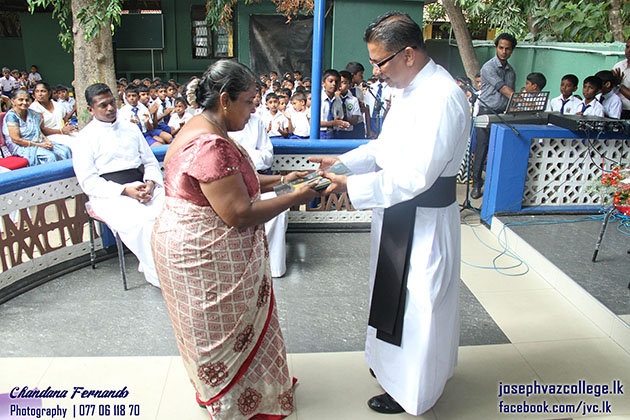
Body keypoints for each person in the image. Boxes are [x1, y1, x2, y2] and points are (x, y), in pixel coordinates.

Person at [312, 11, 470, 416]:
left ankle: (414, 390)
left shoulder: (443, 97)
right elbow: (383, 149)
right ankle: (389, 369)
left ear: (410, 54)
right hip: (398, 213)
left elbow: (418, 174)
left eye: (381, 62)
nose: (377, 71)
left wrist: (354, 187)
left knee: (420, 306)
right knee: (390, 297)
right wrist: (341, 169)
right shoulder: (409, 91)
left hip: (425, 218)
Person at [151, 59, 319, 419]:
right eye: (249, 101)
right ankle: (232, 401)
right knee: (220, 329)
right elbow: (237, 213)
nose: (255, 108)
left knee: (222, 328)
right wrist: (296, 197)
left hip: (189, 243)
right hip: (202, 252)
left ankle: (244, 390)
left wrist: (285, 180)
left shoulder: (201, 125)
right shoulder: (211, 143)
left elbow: (235, 180)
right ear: (225, 100)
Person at [73, 83, 163, 288]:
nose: (110, 108)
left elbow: (149, 161)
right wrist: (124, 190)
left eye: (112, 102)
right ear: (90, 109)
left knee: (172, 212)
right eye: (103, 105)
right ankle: (157, 273)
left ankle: (177, 266)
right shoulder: (84, 138)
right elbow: (88, 182)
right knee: (144, 222)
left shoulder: (131, 128)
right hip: (110, 195)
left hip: (142, 186)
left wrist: (150, 183)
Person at [471, 32, 517, 199]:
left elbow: (510, 94)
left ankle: (493, 185)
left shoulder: (511, 71)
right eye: (501, 48)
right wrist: (522, 101)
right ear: (496, 48)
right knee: (481, 150)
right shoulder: (488, 67)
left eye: (508, 49)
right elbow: (504, 90)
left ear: (512, 50)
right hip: (486, 112)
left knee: (498, 150)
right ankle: (476, 184)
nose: (504, 51)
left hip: (503, 114)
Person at [2, 89, 72, 166]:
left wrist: (46, 141)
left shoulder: (32, 113)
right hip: (21, 146)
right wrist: (40, 145)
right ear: (13, 101)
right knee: (50, 156)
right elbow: (16, 139)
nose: (24, 103)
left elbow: (38, 131)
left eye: (27, 100)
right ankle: (52, 177)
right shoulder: (11, 116)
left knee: (65, 151)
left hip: (38, 142)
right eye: (20, 100)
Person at [29, 81, 77, 148]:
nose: (40, 94)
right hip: (48, 137)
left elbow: (65, 118)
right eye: (37, 91)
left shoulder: (58, 105)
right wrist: (60, 131)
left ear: (49, 93)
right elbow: (41, 130)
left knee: (82, 138)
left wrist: (67, 125)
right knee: (72, 144)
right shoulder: (34, 107)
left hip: (62, 133)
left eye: (43, 91)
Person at [320, 69, 348, 139]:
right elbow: (312, 122)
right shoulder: (318, 99)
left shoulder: (338, 100)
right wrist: (332, 123)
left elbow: (340, 116)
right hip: (321, 134)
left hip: (335, 133)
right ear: (323, 83)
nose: (334, 84)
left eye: (337, 81)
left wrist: (341, 122)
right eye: (330, 81)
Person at [336, 70, 362, 139]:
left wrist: (342, 119)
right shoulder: (333, 99)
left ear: (350, 85)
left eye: (343, 83)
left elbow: (354, 120)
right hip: (335, 132)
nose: (340, 85)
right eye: (338, 82)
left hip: (349, 132)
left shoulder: (353, 100)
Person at [612, 36, 630, 119]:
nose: (628, 51)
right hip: (614, 109)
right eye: (627, 47)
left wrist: (619, 85)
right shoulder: (619, 65)